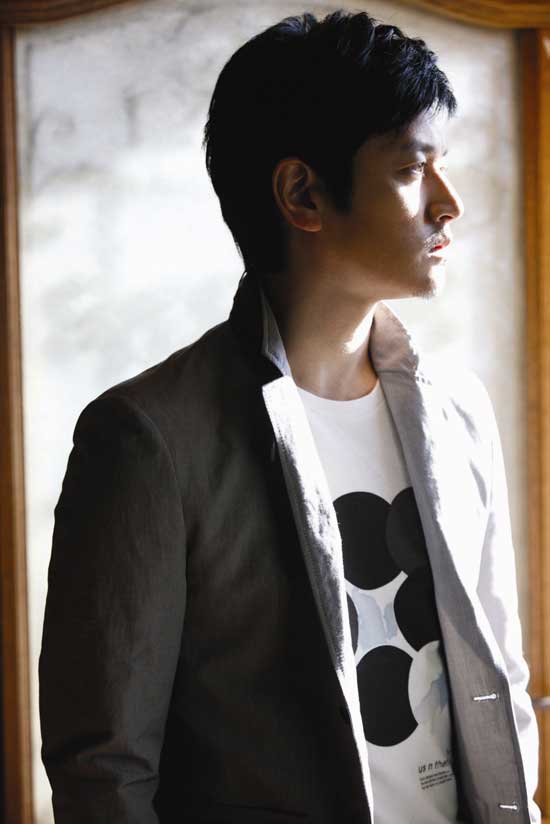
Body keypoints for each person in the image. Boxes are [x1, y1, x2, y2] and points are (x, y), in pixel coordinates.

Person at [39, 9, 540, 824]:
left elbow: (500, 682)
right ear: (303, 193)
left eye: (442, 167)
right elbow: (105, 770)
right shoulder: (147, 440)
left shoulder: (459, 409)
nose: (448, 204)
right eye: (413, 169)